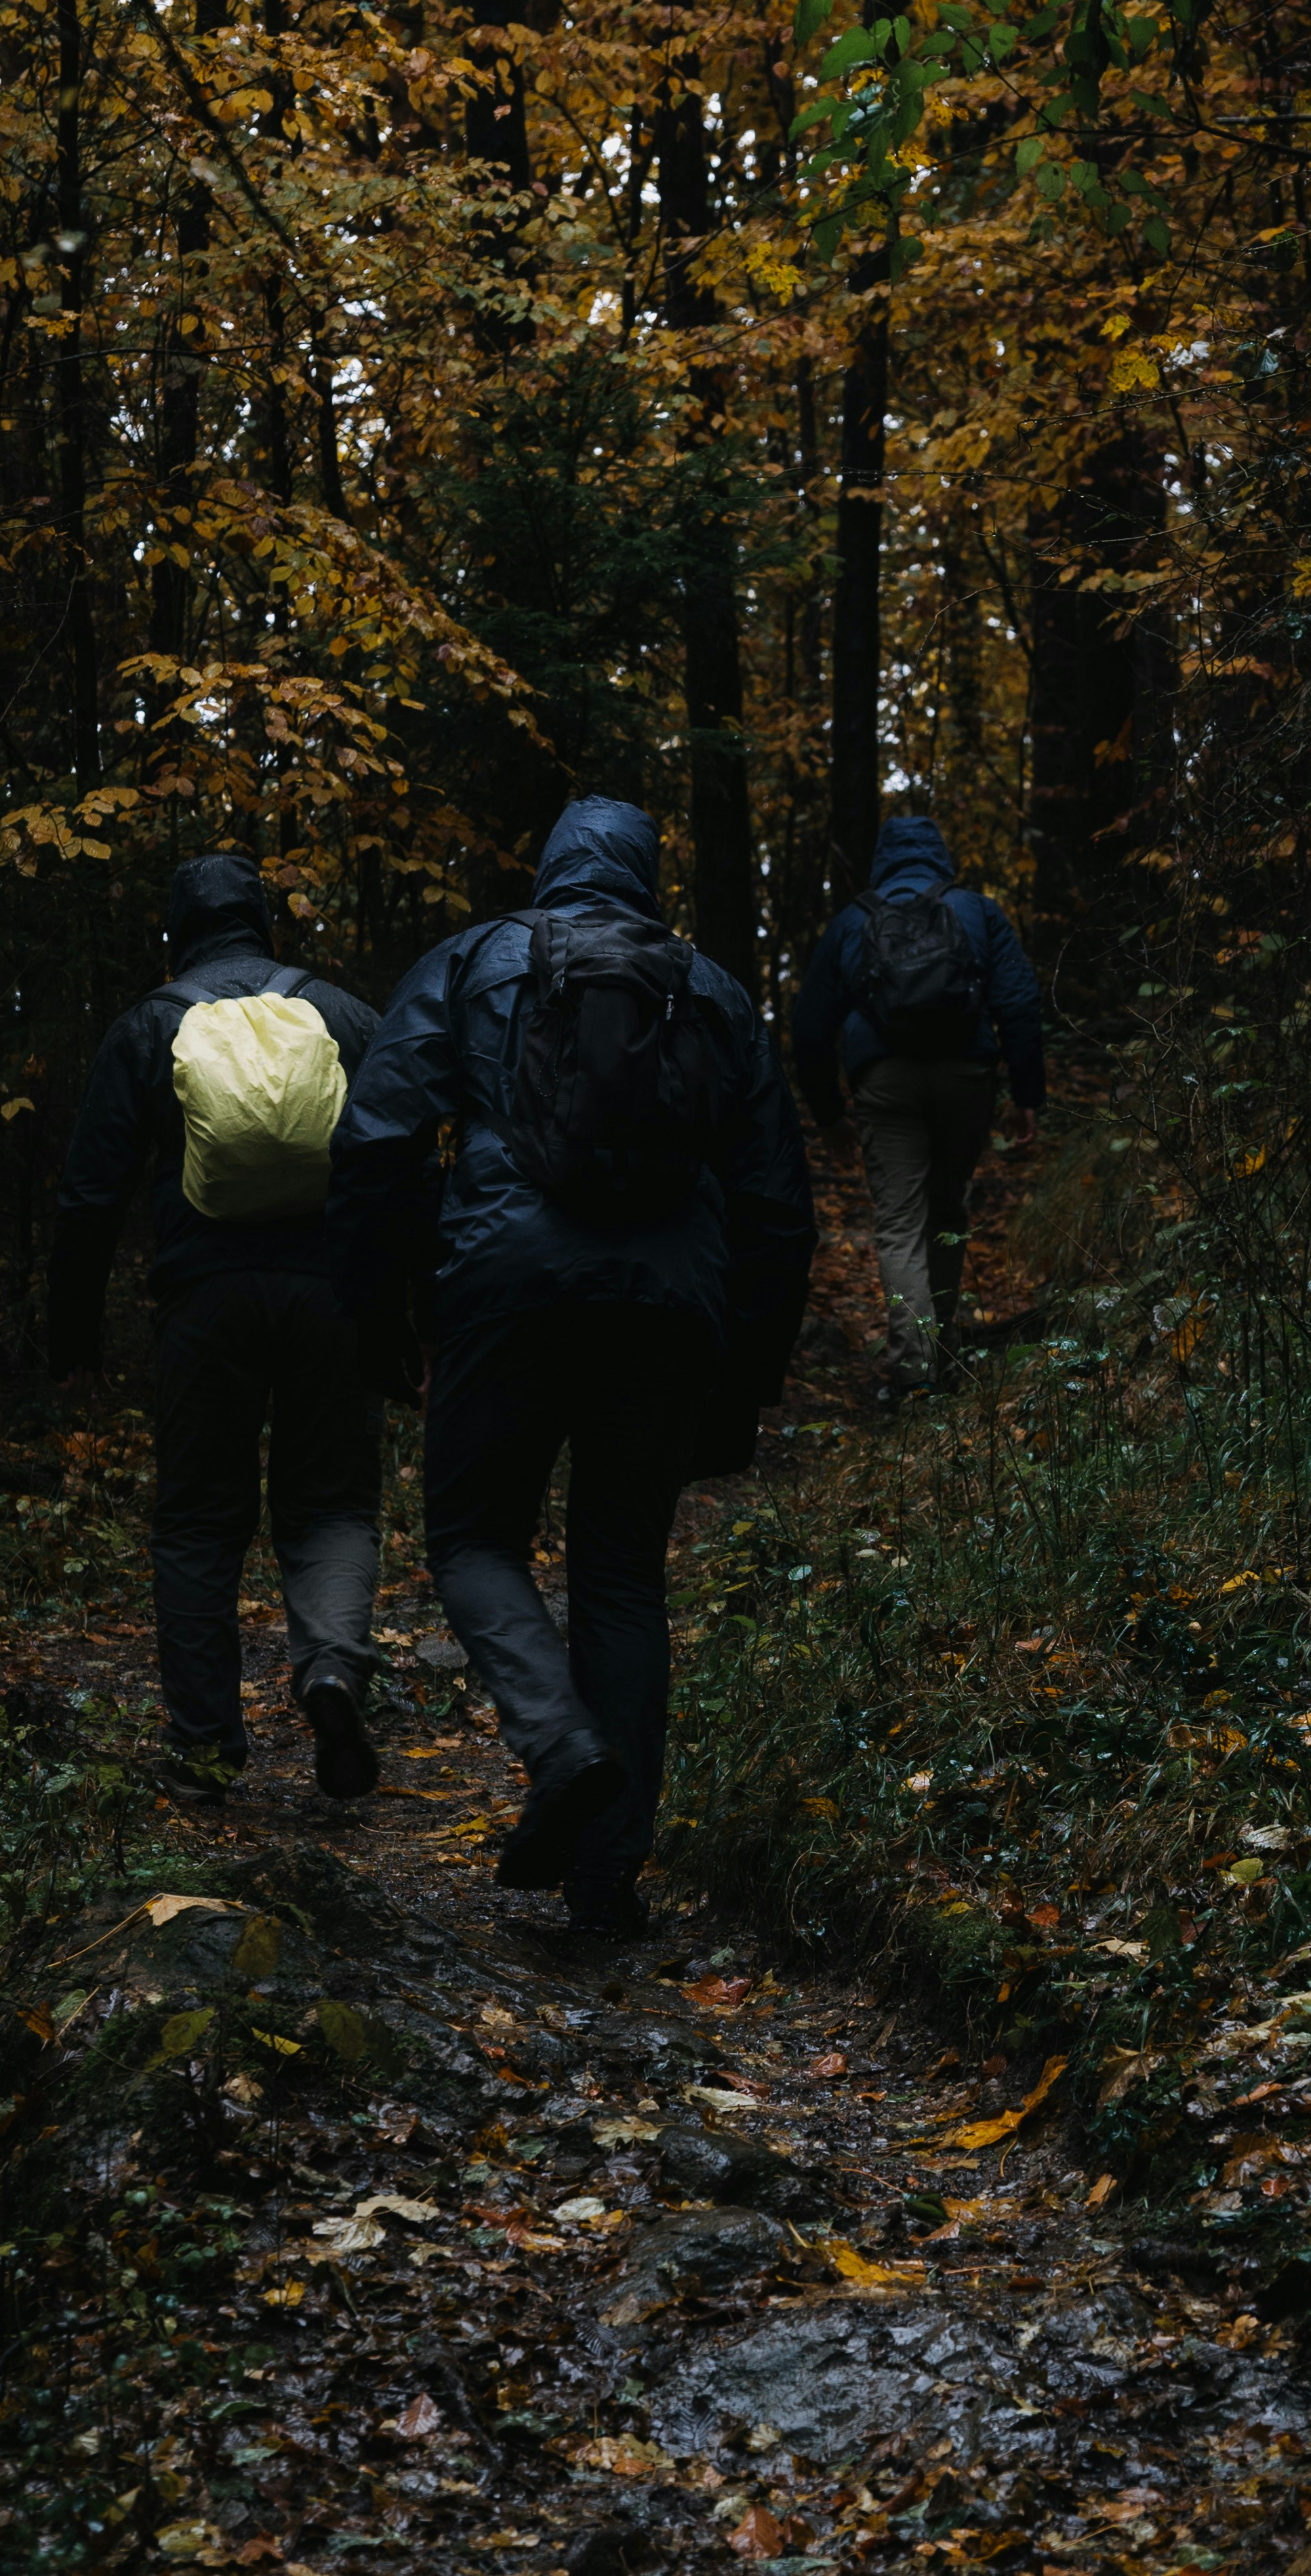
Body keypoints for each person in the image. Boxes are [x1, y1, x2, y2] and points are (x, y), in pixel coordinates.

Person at [326, 796, 815, 1939]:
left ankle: (557, 1743)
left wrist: (383, 1313)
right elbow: (776, 1204)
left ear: (548, 867)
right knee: (621, 1576)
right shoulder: (711, 990)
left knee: (471, 1534)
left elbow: (377, 1136)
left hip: (505, 1285)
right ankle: (606, 1881)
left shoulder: (473, 962)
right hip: (669, 1302)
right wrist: (747, 1373)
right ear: (651, 877)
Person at [47, 850, 387, 1806]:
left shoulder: (148, 1027)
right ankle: (327, 1672)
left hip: (203, 1304)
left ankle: (204, 1750)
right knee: (331, 1509)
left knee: (199, 1522)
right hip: (331, 1300)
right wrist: (405, 1310)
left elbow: (88, 1197)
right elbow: (401, 1164)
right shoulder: (344, 1017)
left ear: (176, 936)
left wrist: (71, 1334)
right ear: (267, 928)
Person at [791, 814, 1045, 1386]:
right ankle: (946, 1350)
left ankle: (913, 1366)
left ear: (882, 858)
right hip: (966, 1077)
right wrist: (1027, 1095)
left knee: (901, 1221)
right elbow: (1019, 1004)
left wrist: (829, 1114)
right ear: (939, 854)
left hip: (884, 1083)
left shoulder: (853, 920)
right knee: (947, 1208)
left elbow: (808, 1027)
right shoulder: (977, 911)